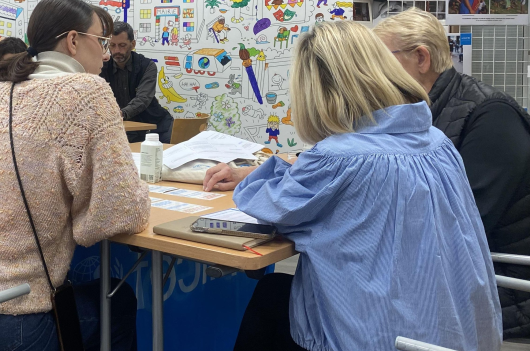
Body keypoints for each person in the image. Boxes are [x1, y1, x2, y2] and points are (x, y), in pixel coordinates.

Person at [204, 20, 502, 351]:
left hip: (378, 338)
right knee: (274, 292)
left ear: (316, 91)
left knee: (272, 298)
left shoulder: (339, 158)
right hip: (455, 332)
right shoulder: (436, 141)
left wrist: (265, 171)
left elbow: (267, 206)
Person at [0, 0, 149, 351]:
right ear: (73, 40)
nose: (104, 55)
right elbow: (116, 214)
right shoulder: (90, 91)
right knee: (118, 299)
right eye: (101, 41)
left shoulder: (2, 90)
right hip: (1, 318)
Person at [374, 7, 530, 339]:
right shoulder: (421, 114)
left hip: (501, 286)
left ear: (421, 58)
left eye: (381, 59)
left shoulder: (491, 116)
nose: (373, 72)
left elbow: (462, 225)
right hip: (455, 270)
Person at [100, 21, 173, 143]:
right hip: (124, 128)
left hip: (156, 127)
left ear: (132, 44)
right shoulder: (102, 67)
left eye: (122, 45)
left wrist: (121, 114)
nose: (117, 50)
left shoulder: (147, 66)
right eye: (112, 45)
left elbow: (143, 99)